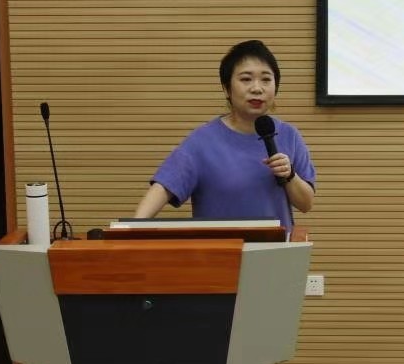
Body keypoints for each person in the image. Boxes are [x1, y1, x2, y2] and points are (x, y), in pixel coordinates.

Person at [134, 40, 315, 232]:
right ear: (226, 88)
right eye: (246, 79)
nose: (257, 88)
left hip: (275, 249)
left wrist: (290, 175)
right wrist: (133, 228)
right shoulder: (203, 140)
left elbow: (306, 204)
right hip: (219, 249)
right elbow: (164, 186)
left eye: (266, 79)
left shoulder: (289, 135)